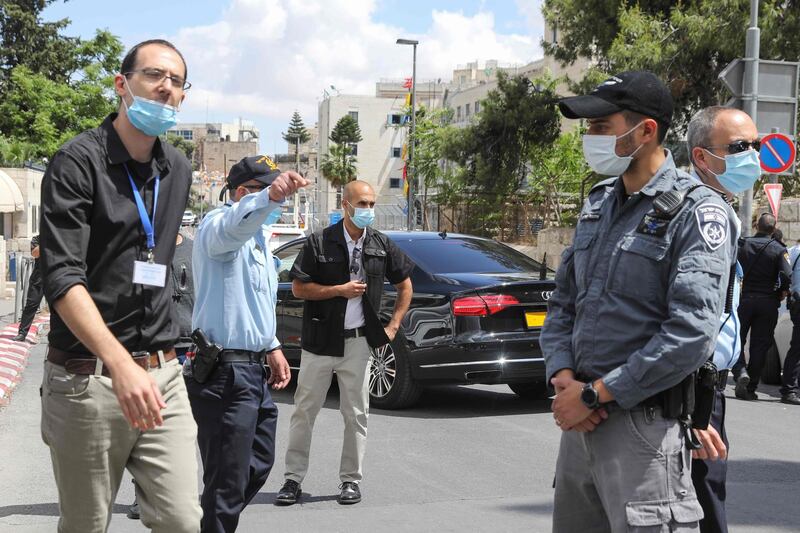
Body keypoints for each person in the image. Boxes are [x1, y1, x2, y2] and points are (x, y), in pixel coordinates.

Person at [541, 71, 736, 532]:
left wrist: (594, 394)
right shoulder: (598, 204)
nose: (589, 137)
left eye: (601, 127)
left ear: (646, 131)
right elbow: (563, 304)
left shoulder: (696, 211)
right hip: (579, 424)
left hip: (641, 428)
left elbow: (689, 334)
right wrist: (563, 377)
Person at [38, 39, 201, 532]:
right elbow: (63, 277)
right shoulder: (76, 162)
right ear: (122, 84)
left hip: (163, 377)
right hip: (89, 380)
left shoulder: (178, 168)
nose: (166, 88)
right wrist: (117, 362)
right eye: (155, 75)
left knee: (181, 520)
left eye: (176, 81)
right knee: (86, 524)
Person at [276, 180, 414, 506]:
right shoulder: (319, 242)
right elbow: (298, 288)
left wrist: (393, 326)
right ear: (345, 204)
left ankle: (350, 481)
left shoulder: (381, 244)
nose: (367, 210)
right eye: (361, 204)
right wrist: (338, 290)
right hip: (319, 343)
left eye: (371, 204)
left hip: (358, 345)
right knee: (304, 413)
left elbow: (406, 286)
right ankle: (292, 480)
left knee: (356, 415)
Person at [187, 155, 305, 532]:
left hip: (252, 369)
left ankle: (210, 519)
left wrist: (271, 346)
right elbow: (231, 229)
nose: (278, 204)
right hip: (224, 373)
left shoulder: (258, 243)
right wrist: (267, 198)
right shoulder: (217, 227)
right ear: (242, 193)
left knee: (257, 461)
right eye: (267, 192)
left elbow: (252, 302)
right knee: (226, 481)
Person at [686, 105, 762, 532]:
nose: (750, 155)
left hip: (706, 383)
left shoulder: (721, 207)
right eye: (737, 147)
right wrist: (694, 408)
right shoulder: (702, 213)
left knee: (702, 492)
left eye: (755, 145)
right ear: (702, 157)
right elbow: (692, 312)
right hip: (693, 383)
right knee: (703, 496)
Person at [128, 229, 196, 520]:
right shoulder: (141, 252)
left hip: (191, 347)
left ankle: (181, 495)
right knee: (150, 425)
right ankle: (141, 495)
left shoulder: (196, 251)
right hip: (153, 350)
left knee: (184, 429)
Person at [731, 212, 791, 400]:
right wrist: (781, 291)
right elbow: (786, 276)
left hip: (743, 299)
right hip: (767, 302)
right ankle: (750, 388)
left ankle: (740, 371)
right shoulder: (778, 249)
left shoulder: (742, 244)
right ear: (774, 229)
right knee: (760, 345)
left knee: (736, 339)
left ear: (756, 225)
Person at [780, 236, 800, 405]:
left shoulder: (792, 252)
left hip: (795, 302)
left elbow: (785, 275)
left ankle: (790, 387)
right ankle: (788, 389)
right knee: (797, 348)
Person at [13, 234, 43, 342]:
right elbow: (35, 253)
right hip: (39, 279)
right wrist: (47, 239)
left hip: (56, 278)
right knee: (31, 305)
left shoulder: (61, 236)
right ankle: (22, 333)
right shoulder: (38, 239)